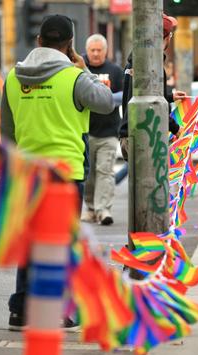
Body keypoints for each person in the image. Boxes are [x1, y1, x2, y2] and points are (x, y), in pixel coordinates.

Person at [0, 14, 112, 331]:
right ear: (69, 45)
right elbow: (104, 102)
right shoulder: (74, 77)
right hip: (65, 173)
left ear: (38, 41)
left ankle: (21, 309)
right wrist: (83, 69)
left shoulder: (12, 78)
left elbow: (7, 133)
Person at [118, 13, 186, 160]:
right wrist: (176, 128)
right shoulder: (151, 64)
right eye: (171, 35)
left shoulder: (134, 60)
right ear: (164, 37)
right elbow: (154, 106)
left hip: (131, 134)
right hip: (144, 136)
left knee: (138, 183)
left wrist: (169, 97)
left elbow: (142, 95)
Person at [80, 34, 123, 226]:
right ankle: (90, 208)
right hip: (84, 131)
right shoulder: (78, 69)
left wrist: (104, 100)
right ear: (87, 51)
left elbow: (125, 94)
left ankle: (103, 209)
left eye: (99, 50)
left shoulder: (114, 71)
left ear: (106, 51)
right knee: (88, 174)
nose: (96, 54)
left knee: (105, 171)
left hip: (109, 131)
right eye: (92, 50)